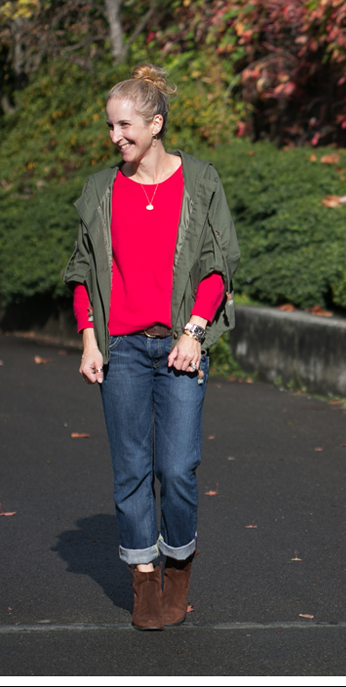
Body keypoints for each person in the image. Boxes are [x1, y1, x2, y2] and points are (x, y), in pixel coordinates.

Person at [63, 63, 239, 630]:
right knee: (132, 468)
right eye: (110, 127)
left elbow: (217, 265)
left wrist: (194, 331)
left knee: (179, 467)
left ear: (156, 123)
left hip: (179, 345)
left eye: (125, 126)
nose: (116, 137)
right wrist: (90, 339)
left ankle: (180, 561)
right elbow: (85, 272)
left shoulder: (201, 181)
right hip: (121, 349)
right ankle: (143, 579)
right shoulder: (100, 189)